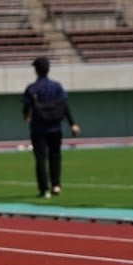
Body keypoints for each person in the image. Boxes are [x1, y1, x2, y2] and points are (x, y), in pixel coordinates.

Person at [22, 56, 81, 198]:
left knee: (40, 159)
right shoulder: (57, 87)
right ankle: (56, 185)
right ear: (48, 69)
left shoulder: (32, 88)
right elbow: (64, 106)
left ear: (36, 71)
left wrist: (26, 116)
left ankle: (44, 189)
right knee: (55, 156)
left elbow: (26, 107)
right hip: (55, 127)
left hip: (38, 129)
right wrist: (72, 123)